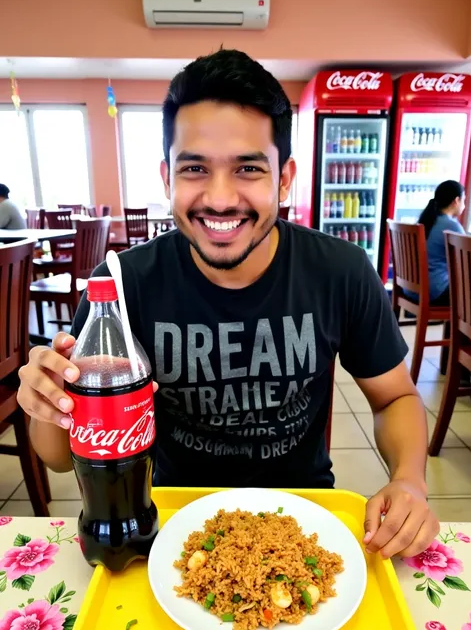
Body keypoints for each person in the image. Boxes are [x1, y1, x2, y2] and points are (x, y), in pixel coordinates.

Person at [17, 49, 439, 560]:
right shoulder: (121, 285)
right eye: (194, 168)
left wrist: (410, 480)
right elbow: (59, 459)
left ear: (284, 180)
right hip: (171, 520)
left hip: (301, 515)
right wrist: (46, 400)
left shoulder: (340, 271)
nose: (219, 198)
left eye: (247, 169)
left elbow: (395, 398)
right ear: (167, 178)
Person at [417, 180, 465, 305]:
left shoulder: (427, 220)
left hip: (413, 288)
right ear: (456, 201)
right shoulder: (452, 225)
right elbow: (466, 261)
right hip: (435, 291)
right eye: (463, 200)